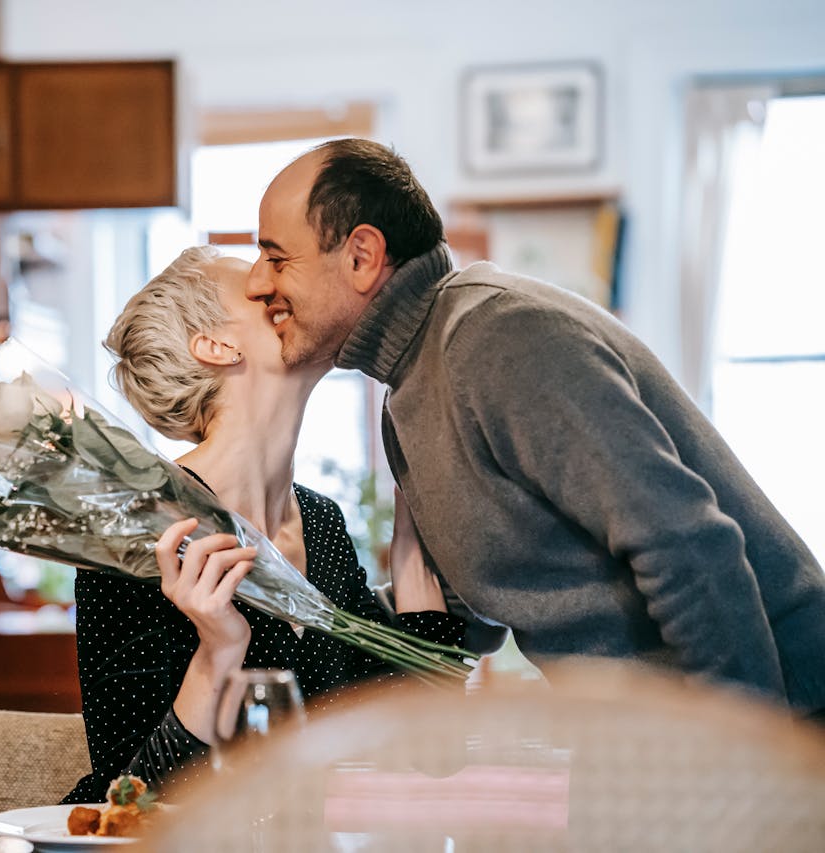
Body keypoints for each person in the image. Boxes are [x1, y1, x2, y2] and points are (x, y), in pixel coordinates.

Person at [245, 137, 825, 717]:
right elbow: (475, 612)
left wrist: (747, 767)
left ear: (361, 256)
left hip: (783, 722)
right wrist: (292, 612)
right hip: (640, 742)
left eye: (276, 257)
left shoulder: (497, 339)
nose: (256, 282)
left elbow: (687, 545)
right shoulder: (408, 394)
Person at [62, 247, 465, 803]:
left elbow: (433, 748)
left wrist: (413, 557)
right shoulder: (133, 530)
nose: (277, 287)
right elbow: (128, 799)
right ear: (216, 345)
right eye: (256, 289)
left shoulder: (321, 525)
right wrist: (218, 652)